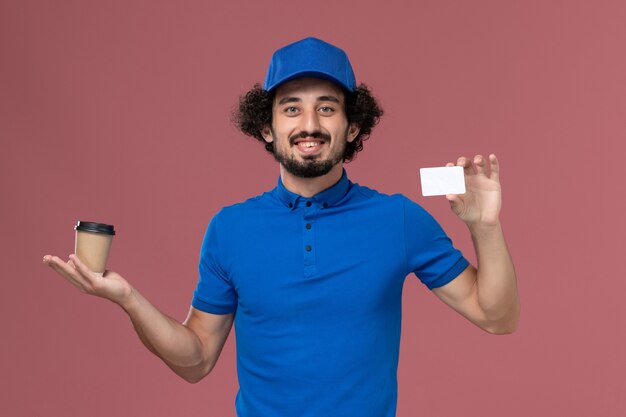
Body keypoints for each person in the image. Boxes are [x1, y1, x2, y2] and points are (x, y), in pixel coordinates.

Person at [43, 37, 520, 417]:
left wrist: (486, 228)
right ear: (267, 127)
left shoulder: (398, 219)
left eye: (327, 108)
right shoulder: (229, 229)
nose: (308, 123)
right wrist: (129, 299)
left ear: (353, 126)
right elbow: (196, 361)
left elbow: (497, 318)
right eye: (291, 108)